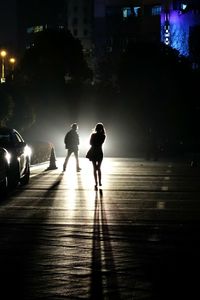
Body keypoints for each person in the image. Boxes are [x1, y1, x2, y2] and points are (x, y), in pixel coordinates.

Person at [86, 123, 106, 190]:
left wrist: (94, 143)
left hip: (93, 152)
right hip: (99, 152)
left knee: (94, 168)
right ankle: (100, 182)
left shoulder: (93, 135)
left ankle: (96, 182)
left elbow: (90, 143)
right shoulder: (103, 136)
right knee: (99, 168)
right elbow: (100, 143)